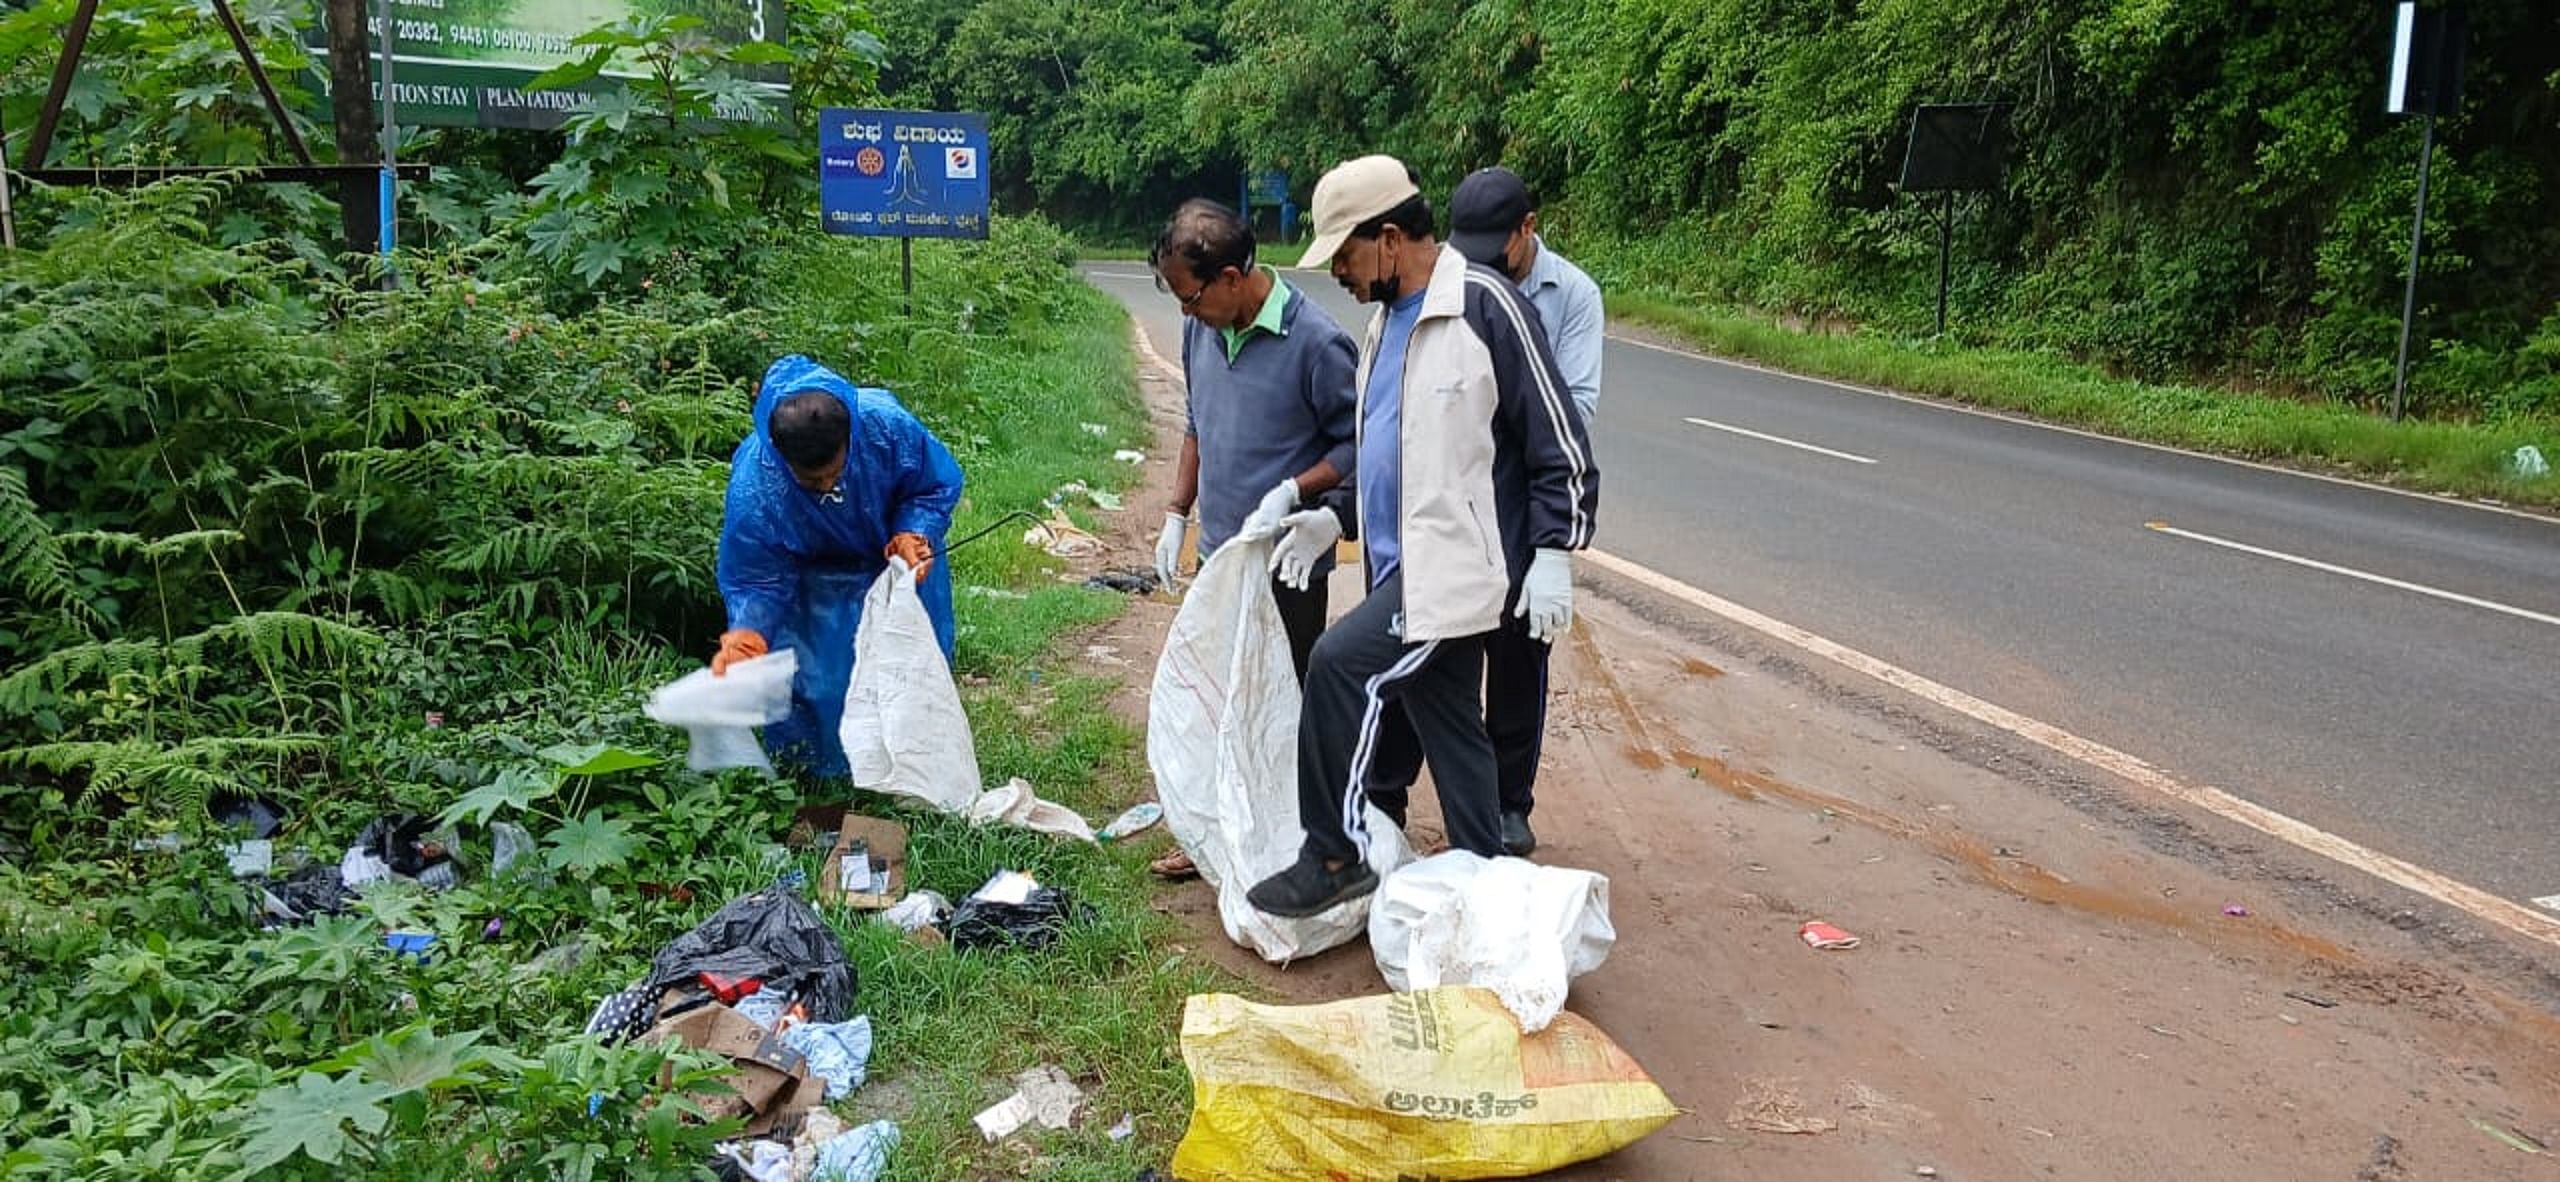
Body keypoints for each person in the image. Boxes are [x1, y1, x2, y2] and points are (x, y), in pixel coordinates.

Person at [1244, 155, 1598, 919]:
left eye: (1344, 253)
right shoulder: (1384, 324)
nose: (1337, 270)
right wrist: (1333, 517)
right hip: (1402, 566)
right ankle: (1487, 872)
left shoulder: (1484, 307)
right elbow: (1395, 460)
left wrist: (1552, 553)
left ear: (1392, 238)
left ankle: (1333, 854)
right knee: (1449, 716)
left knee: (1339, 667)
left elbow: (1558, 439)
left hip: (1456, 571)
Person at [1362, 165, 1609, 856]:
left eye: (1493, 245)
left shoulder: (1569, 297)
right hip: (1460, 496)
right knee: (1425, 655)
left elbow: (1569, 418)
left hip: (1521, 501)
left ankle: (1507, 809)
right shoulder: (1448, 288)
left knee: (1518, 663)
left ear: (1527, 230)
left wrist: (1554, 551)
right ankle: (1386, 796)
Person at [712, 354, 965, 779]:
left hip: (897, 560)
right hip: (814, 582)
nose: (828, 487)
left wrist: (914, 531)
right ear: (781, 454)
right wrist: (749, 631)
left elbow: (934, 484)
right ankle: (819, 775)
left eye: (834, 473)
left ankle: (913, 768)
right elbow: (758, 574)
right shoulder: (756, 485)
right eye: (813, 483)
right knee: (822, 686)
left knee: (910, 673)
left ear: (849, 435)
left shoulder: (887, 427)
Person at [1148, 197, 1361, 680]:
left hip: (1288, 564)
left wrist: (1293, 490)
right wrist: (1177, 513)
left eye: (1191, 297)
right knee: (1219, 695)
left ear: (1230, 279)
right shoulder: (1201, 330)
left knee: (1282, 703)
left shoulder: (1317, 343)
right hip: (1218, 558)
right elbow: (1197, 420)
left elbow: (1357, 446)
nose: (1185, 310)